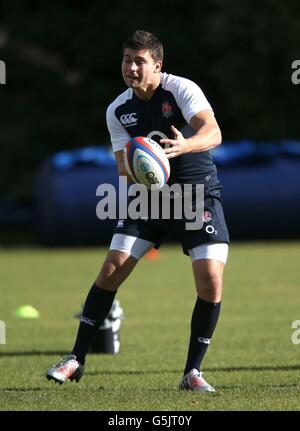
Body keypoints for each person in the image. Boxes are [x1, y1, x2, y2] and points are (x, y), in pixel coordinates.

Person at [46, 30, 229, 392]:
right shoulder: (118, 109)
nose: (131, 67)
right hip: (149, 198)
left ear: (157, 66)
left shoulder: (181, 90)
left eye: (139, 61)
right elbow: (121, 167)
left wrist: (184, 146)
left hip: (196, 194)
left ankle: (192, 372)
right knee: (111, 269)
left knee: (210, 279)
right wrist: (143, 166)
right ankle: (75, 360)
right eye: (127, 60)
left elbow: (213, 132)